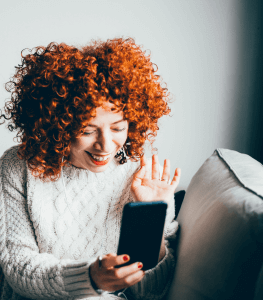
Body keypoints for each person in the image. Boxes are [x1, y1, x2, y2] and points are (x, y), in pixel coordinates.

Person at [0, 38, 181, 300]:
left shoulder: (140, 173)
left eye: (118, 128)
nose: (106, 145)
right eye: (86, 130)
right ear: (57, 125)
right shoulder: (18, 167)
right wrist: (89, 277)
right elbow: (18, 268)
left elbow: (150, 293)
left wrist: (153, 221)